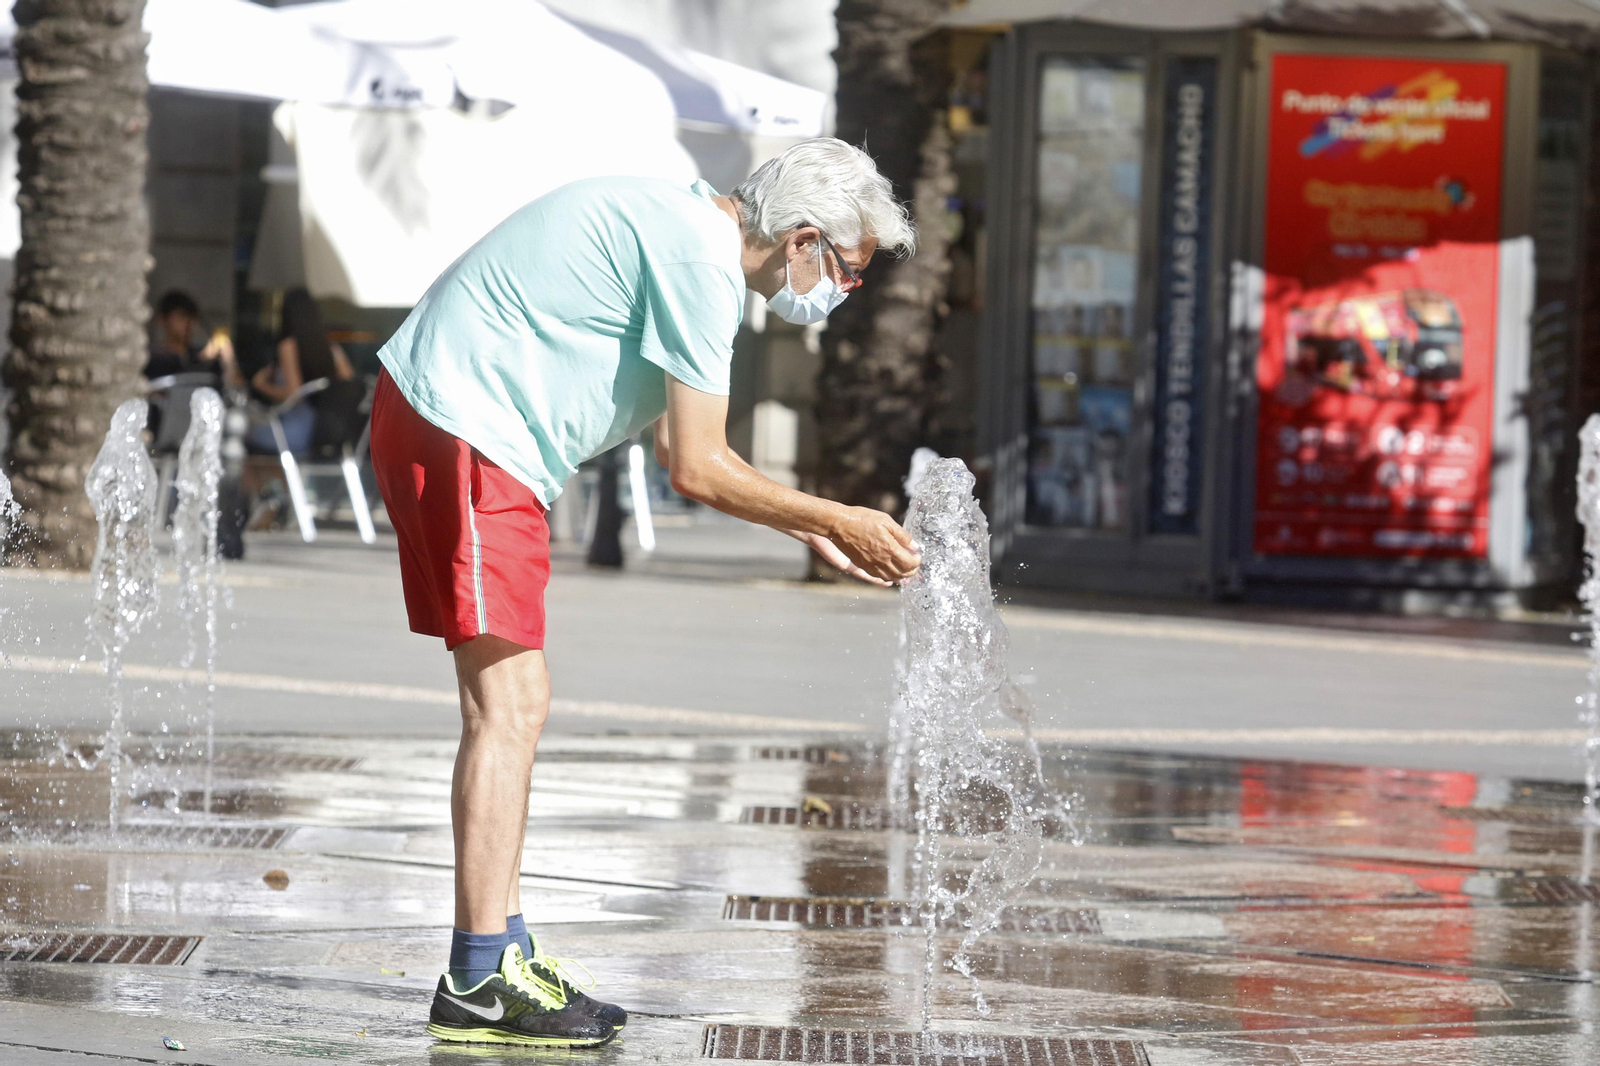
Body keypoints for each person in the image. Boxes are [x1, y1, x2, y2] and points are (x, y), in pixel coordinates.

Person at [369, 138, 920, 1048]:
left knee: (515, 702)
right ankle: (476, 972)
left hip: (460, 424)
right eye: (848, 273)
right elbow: (697, 468)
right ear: (803, 241)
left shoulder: (685, 235)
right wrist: (840, 516)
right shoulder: (698, 265)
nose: (842, 295)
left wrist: (814, 527)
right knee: (507, 705)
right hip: (467, 428)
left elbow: (705, 454)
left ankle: (503, 948)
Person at [244, 287, 357, 455]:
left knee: (245, 435)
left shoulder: (288, 346)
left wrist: (260, 385)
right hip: (327, 430)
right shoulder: (329, 347)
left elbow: (294, 394)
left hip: (296, 430)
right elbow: (350, 381)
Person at [144, 289, 238, 384]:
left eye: (191, 318)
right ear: (163, 319)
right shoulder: (152, 359)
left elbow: (234, 386)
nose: (187, 324)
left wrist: (228, 361)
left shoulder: (202, 357)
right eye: (181, 317)